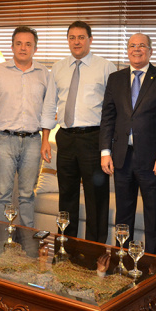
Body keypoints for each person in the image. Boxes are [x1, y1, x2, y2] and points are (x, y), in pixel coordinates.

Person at [100, 33, 156, 256]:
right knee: (123, 215)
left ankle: (155, 266)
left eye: (142, 46)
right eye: (132, 45)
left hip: (153, 160)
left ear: (150, 51)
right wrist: (105, 151)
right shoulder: (115, 79)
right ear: (127, 50)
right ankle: (121, 259)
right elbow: (108, 117)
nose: (137, 49)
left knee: (154, 216)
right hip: (122, 157)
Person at [41, 21, 116, 242]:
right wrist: (46, 139)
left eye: (81, 37)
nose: (76, 42)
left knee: (96, 198)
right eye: (72, 37)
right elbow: (49, 105)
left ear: (90, 40)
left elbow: (113, 109)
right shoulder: (58, 67)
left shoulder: (105, 67)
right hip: (64, 138)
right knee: (66, 195)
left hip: (94, 139)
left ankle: (94, 248)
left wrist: (108, 147)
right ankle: (66, 244)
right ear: (68, 40)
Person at [0, 26, 49, 227]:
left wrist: (45, 141)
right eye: (18, 43)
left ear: (35, 48)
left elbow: (47, 112)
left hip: (33, 141)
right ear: (12, 46)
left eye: (28, 44)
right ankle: (2, 239)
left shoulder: (44, 73)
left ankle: (27, 240)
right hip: (3, 140)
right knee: (2, 194)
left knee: (27, 194)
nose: (23, 48)